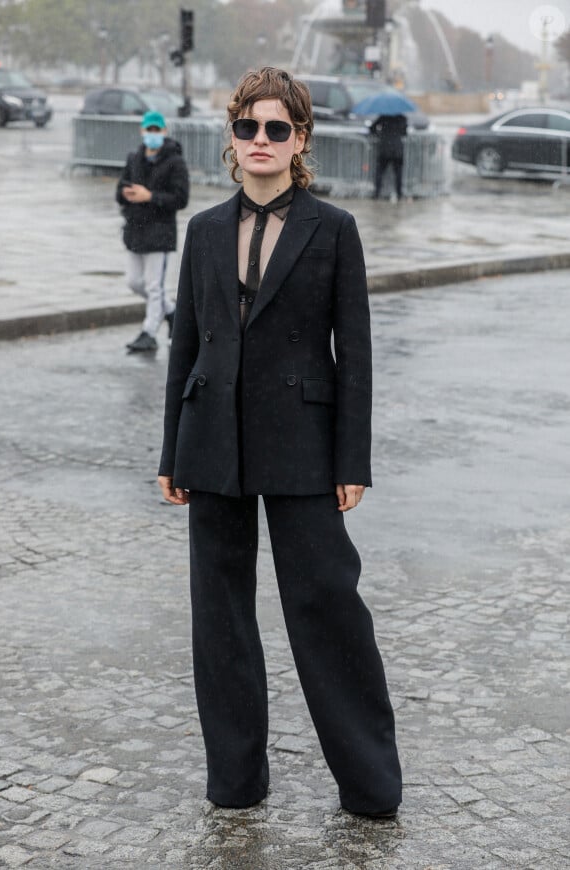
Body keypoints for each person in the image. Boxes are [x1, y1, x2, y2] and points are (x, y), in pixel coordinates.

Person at [157, 67, 402, 818]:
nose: (260, 141)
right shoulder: (201, 231)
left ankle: (370, 785)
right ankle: (236, 780)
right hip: (211, 442)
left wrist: (351, 461)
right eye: (247, 127)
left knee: (327, 604)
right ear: (231, 138)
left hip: (304, 444)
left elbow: (354, 354)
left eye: (276, 128)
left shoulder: (334, 229)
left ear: (300, 140)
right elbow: (186, 345)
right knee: (219, 617)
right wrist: (171, 452)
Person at [116, 110, 189, 353]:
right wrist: (126, 194)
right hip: (135, 231)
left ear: (164, 132)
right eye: (149, 129)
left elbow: (181, 198)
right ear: (142, 130)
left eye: (157, 130)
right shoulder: (134, 157)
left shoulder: (175, 161)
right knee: (134, 282)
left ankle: (149, 332)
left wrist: (150, 196)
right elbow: (121, 189)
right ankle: (172, 311)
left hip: (160, 234)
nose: (153, 134)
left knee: (154, 286)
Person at [371, 113, 408, 202]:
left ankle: (377, 193)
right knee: (398, 174)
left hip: (385, 148)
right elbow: (404, 133)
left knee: (379, 172)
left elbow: (372, 128)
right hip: (397, 150)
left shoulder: (383, 116)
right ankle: (399, 194)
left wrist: (379, 134)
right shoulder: (402, 118)